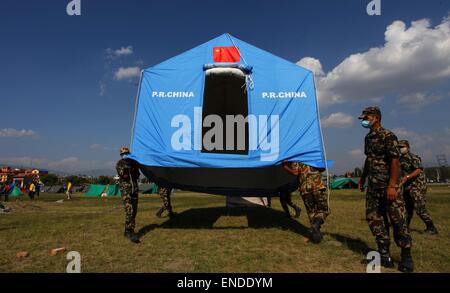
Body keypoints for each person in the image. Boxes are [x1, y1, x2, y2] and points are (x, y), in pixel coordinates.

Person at [358, 106, 413, 273]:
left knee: (398, 220)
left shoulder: (388, 136)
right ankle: (384, 254)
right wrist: (363, 178)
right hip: (373, 187)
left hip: (388, 186)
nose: (364, 120)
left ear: (376, 117)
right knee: (374, 219)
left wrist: (392, 186)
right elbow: (369, 159)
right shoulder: (368, 138)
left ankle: (406, 257)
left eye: (366, 117)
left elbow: (395, 161)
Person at [283, 160, 329, 243]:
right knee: (324, 210)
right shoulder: (313, 154)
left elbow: (295, 173)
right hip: (317, 186)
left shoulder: (297, 157)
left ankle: (316, 238)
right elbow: (323, 168)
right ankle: (317, 225)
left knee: (312, 213)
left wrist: (285, 166)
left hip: (305, 189)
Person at [398, 140, 438, 235]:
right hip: (407, 186)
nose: (401, 149)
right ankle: (405, 227)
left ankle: (431, 227)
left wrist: (407, 177)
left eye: (402, 147)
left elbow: (418, 170)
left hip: (417, 186)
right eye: (399, 147)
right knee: (407, 208)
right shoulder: (400, 159)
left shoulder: (413, 157)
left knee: (420, 208)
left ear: (408, 147)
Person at [116, 147, 141, 244]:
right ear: (121, 155)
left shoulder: (134, 163)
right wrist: (129, 166)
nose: (125, 155)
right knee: (129, 210)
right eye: (123, 153)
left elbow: (137, 175)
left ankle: (127, 229)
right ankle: (131, 232)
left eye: (127, 153)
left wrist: (135, 165)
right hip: (125, 190)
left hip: (134, 189)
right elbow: (124, 175)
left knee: (134, 211)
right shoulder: (120, 164)